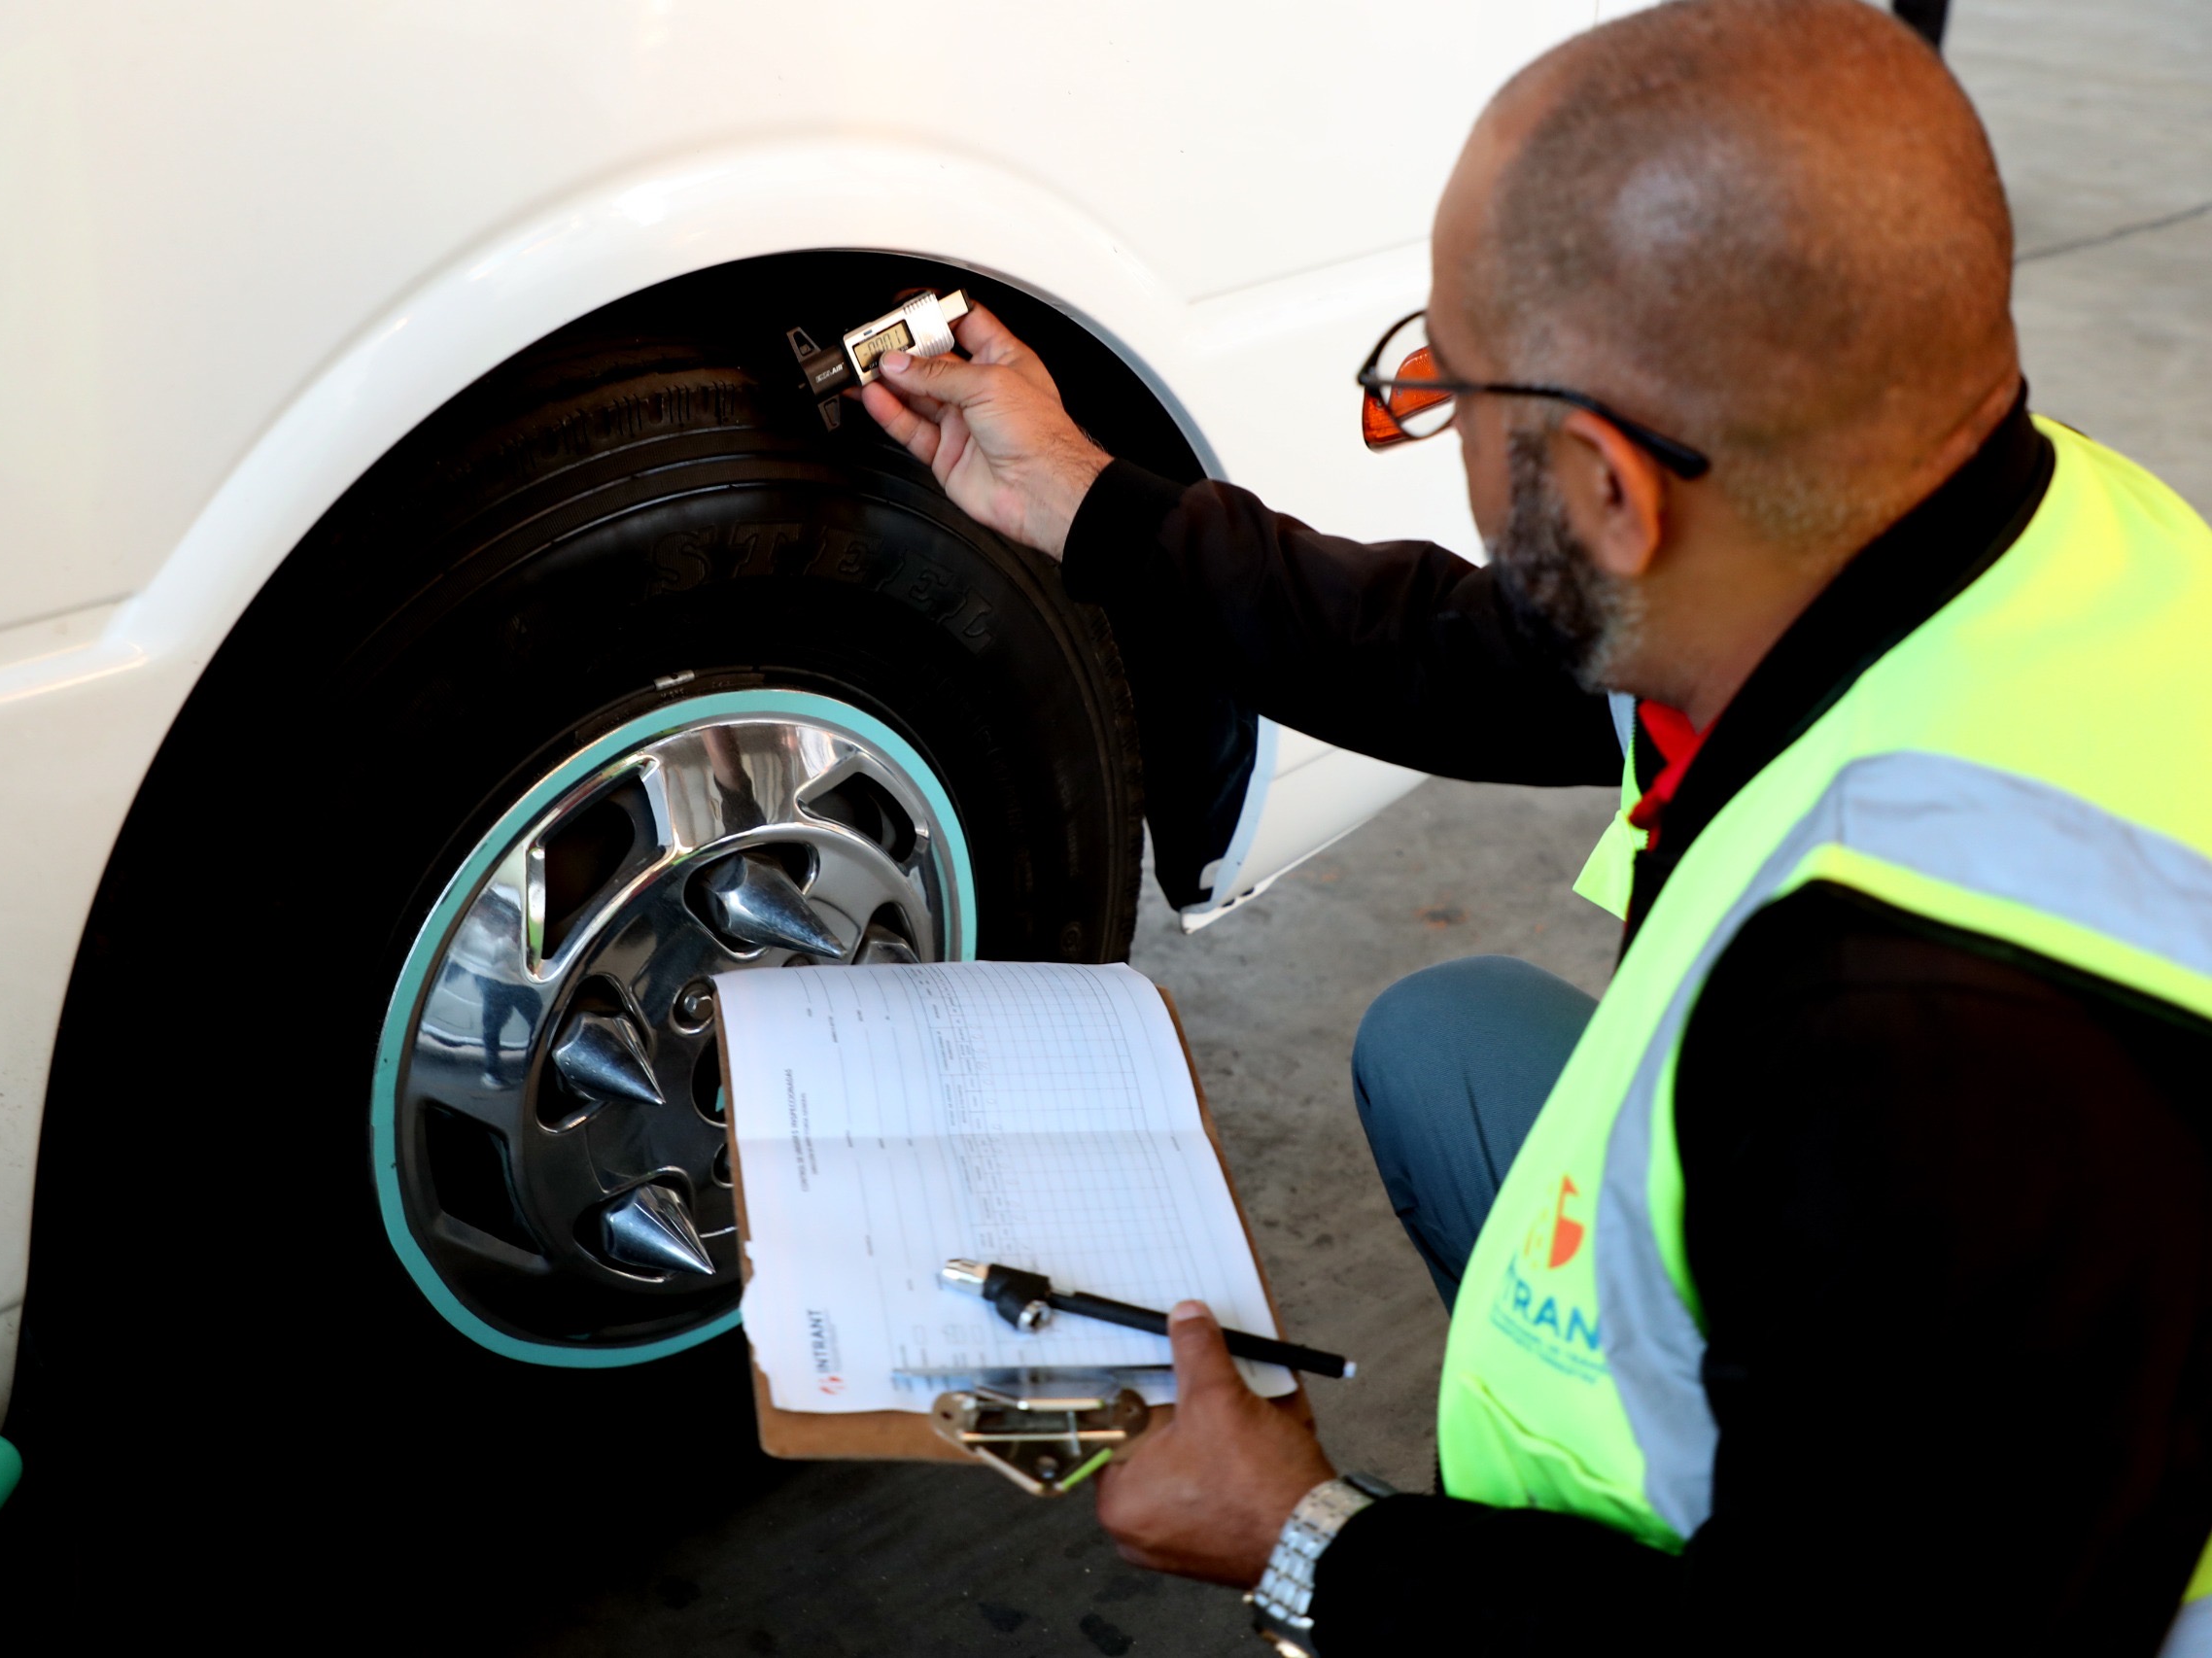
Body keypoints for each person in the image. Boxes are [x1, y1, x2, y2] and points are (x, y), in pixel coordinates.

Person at [856, 1, 2212, 1651]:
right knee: (1449, 1040)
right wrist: (1080, 498)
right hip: (2007, 1340)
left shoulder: (1921, 1062)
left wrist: (1305, 1539)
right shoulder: (1979, 523)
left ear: (1618, 493)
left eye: (1445, 385)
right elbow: (1472, 648)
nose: (1443, 430)